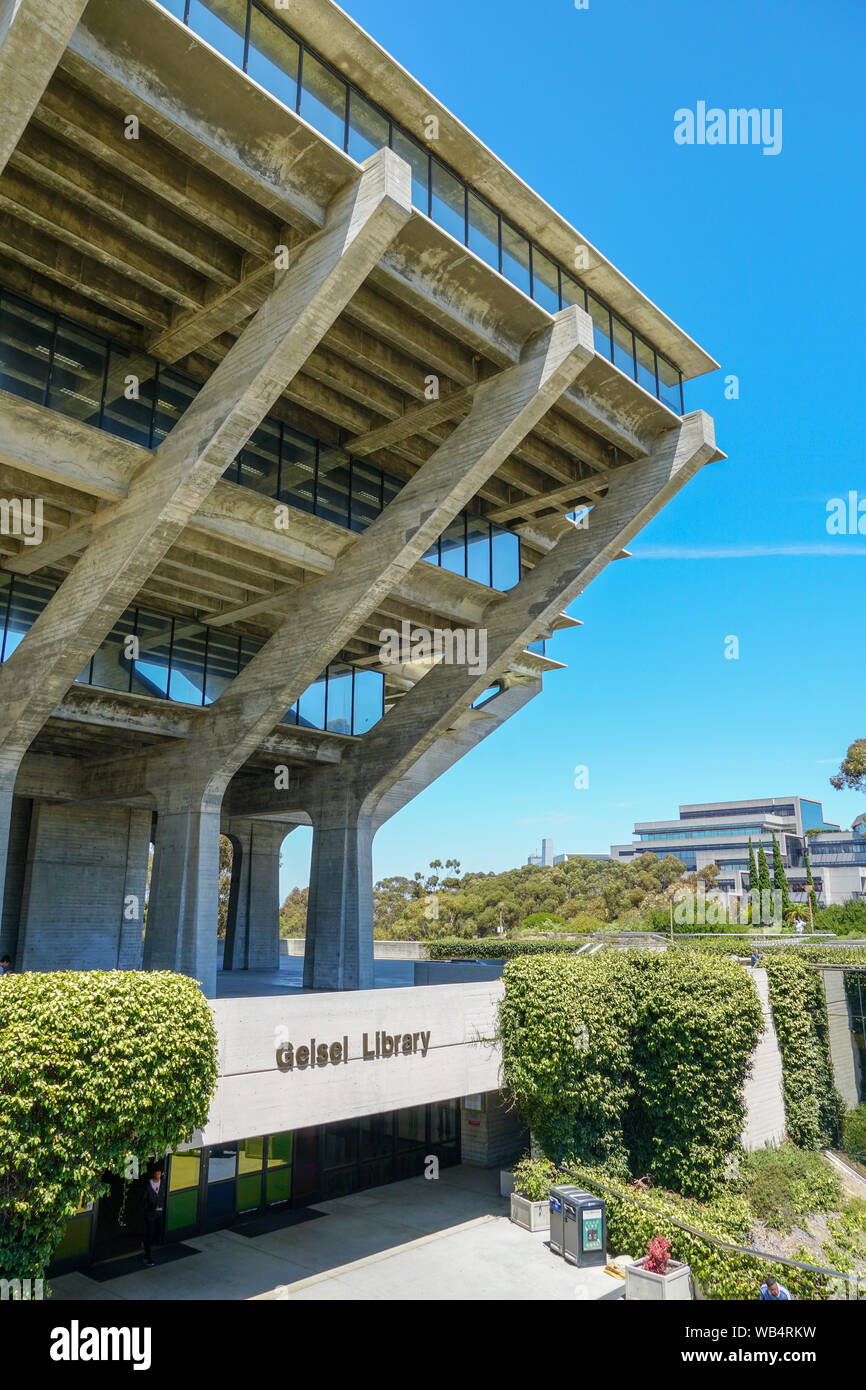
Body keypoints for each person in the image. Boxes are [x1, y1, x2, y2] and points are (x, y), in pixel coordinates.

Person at [142, 1165, 164, 1268]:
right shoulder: (148, 1186)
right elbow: (143, 1201)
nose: (158, 1175)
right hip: (150, 1214)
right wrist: (152, 1207)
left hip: (159, 1214)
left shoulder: (163, 1184)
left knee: (157, 1233)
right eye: (157, 1173)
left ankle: (148, 1245)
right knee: (149, 1234)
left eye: (160, 1173)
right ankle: (148, 1256)